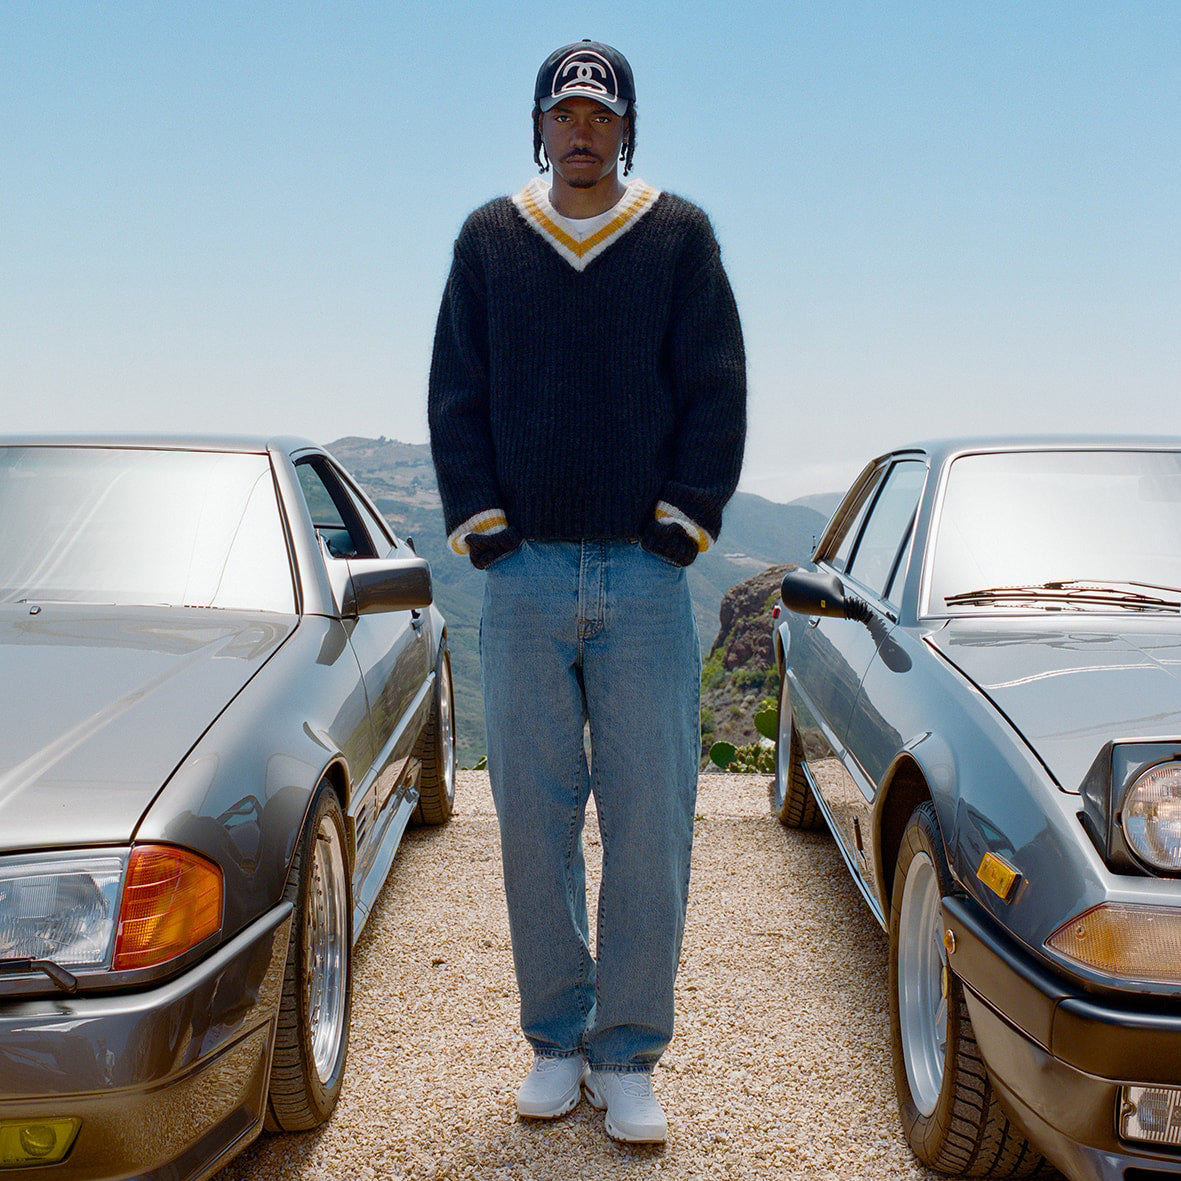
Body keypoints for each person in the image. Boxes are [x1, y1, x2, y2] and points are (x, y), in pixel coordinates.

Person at [428, 38, 745, 1144]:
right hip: (519, 580)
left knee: (652, 823)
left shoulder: (675, 237)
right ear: (538, 126)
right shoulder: (487, 241)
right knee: (534, 824)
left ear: (625, 129)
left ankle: (628, 1055)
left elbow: (713, 389)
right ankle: (556, 1041)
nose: (580, 130)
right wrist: (486, 535)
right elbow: (455, 396)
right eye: (563, 113)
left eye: (599, 115)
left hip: (643, 579)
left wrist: (680, 525)